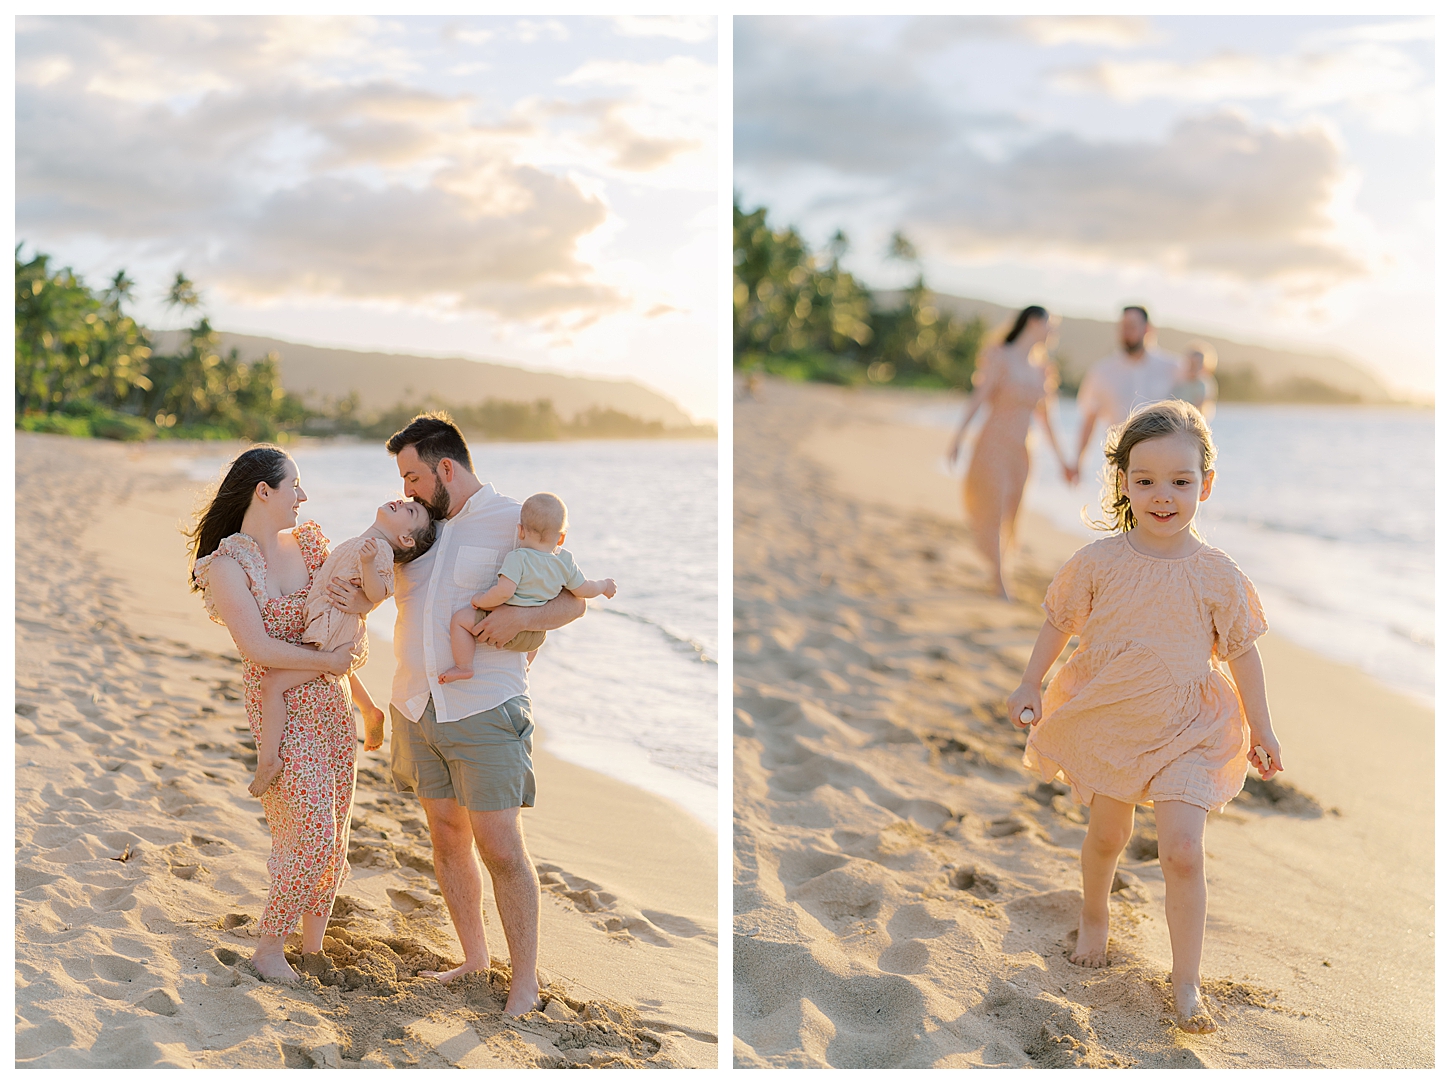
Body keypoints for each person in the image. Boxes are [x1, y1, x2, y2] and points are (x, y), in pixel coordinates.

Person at [1006, 400, 1283, 1034]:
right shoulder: (1099, 563)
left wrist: (1262, 727)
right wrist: (1031, 681)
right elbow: (1059, 620)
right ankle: (1096, 912)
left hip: (1189, 727)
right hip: (1114, 718)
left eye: (1181, 482)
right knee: (1107, 836)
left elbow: (1244, 655)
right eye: (1146, 480)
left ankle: (1186, 982)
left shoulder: (1218, 575)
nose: (1164, 496)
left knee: (1183, 850)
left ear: (1205, 485)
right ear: (1124, 482)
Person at [327, 412, 587, 1016]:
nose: (407, 491)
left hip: (485, 707)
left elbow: (572, 601)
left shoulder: (515, 521)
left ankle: (524, 981)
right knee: (446, 835)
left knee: (500, 847)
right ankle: (474, 957)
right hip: (416, 704)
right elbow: (373, 586)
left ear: (446, 468)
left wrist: (520, 618)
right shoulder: (419, 528)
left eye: (414, 476)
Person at [189, 446, 364, 985]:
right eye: (295, 485)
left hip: (334, 705)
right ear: (264, 492)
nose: (303, 496)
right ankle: (269, 947)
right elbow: (258, 648)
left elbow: (337, 621)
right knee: (308, 827)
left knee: (334, 831)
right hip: (282, 710)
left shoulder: (311, 544)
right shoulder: (226, 567)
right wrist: (327, 663)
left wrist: (365, 697)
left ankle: (311, 948)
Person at [250, 499, 438, 797]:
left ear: (405, 538)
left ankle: (268, 760)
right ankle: (369, 709)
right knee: (333, 666)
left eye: (410, 511)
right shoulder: (366, 542)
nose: (402, 502)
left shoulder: (381, 551)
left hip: (335, 629)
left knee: (272, 683)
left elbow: (380, 592)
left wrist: (367, 565)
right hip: (332, 625)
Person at [946, 304, 1073, 599]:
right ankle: (998, 579)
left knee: (1012, 512)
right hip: (993, 443)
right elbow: (978, 398)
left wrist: (1063, 460)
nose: (1053, 332)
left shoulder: (1043, 369)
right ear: (1032, 322)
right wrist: (957, 438)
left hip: (1023, 450)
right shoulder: (1000, 356)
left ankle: (999, 570)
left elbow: (1047, 419)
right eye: (1050, 325)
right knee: (994, 504)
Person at [440, 492, 616, 684]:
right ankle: (526, 666)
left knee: (459, 620)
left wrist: (480, 599)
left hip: (502, 629)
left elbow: (504, 592)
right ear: (561, 538)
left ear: (520, 531)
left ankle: (463, 666)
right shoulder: (565, 562)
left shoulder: (519, 557)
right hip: (535, 638)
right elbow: (584, 590)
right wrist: (604, 585)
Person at [1070, 306, 1182, 483]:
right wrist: (1078, 462)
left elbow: (1195, 408)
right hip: (1120, 465)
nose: (1125, 332)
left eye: (1131, 326)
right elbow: (1089, 419)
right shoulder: (1102, 372)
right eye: (1122, 327)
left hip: (1166, 466)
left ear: (1147, 329)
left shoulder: (1173, 368)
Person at [1173, 340, 1219, 420]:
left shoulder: (1202, 384)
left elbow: (1200, 406)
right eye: (1191, 364)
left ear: (1204, 366)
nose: (1193, 368)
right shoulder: (1180, 381)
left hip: (1192, 420)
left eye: (1197, 364)